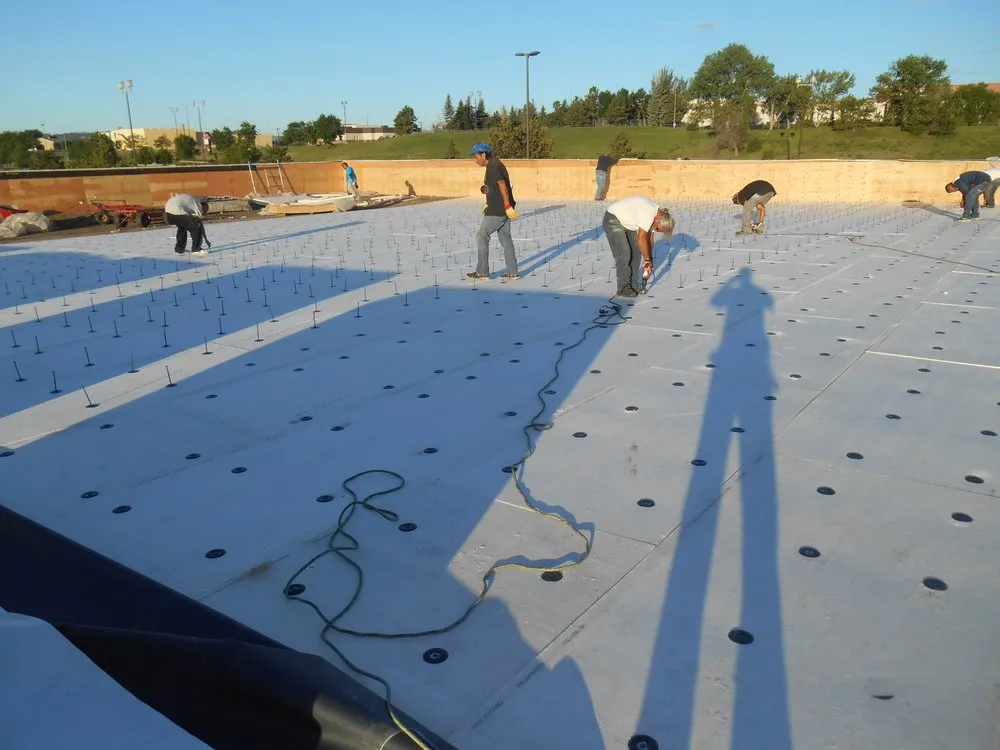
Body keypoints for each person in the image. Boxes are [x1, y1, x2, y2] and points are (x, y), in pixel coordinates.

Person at [602, 196, 675, 298]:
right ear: (658, 220)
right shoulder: (649, 213)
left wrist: (649, 259)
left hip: (627, 222)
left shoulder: (656, 215)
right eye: (658, 229)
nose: (656, 230)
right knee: (624, 254)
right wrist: (647, 259)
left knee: (636, 253)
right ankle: (623, 288)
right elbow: (641, 239)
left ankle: (633, 285)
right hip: (613, 219)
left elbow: (649, 239)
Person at [467, 143, 520, 281]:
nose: (474, 160)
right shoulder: (496, 164)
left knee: (481, 235)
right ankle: (513, 272)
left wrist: (506, 205)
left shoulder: (492, 167)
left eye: (475, 157)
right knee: (505, 239)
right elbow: (495, 186)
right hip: (500, 208)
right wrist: (488, 199)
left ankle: (482, 272)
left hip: (497, 210)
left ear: (483, 155)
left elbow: (502, 185)